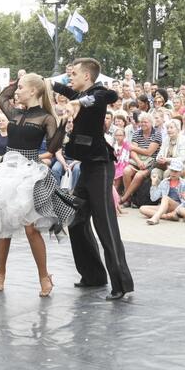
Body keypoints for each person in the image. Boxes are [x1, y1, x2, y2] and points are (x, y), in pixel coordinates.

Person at [0, 74, 73, 297]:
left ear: (33, 91)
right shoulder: (14, 112)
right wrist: (19, 81)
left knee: (31, 228)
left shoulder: (46, 117)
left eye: (21, 88)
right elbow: (3, 96)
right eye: (18, 88)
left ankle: (44, 276)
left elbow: (53, 145)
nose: (17, 92)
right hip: (8, 170)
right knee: (4, 226)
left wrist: (62, 124)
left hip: (30, 171)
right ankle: (0, 273)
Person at [52, 58, 134, 300]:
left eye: (74, 73)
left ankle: (121, 284)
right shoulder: (79, 92)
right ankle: (93, 275)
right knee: (76, 220)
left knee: (105, 225)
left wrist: (78, 101)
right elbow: (64, 89)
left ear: (87, 76)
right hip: (87, 167)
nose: (70, 77)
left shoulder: (97, 94)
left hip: (101, 166)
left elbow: (110, 96)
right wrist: (44, 83)